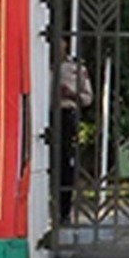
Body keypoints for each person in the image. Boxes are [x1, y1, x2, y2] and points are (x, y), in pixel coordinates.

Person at [56, 51, 93, 224]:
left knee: (66, 165)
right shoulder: (40, 62)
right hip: (42, 116)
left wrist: (71, 94)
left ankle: (63, 212)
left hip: (66, 116)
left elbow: (88, 98)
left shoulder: (76, 68)